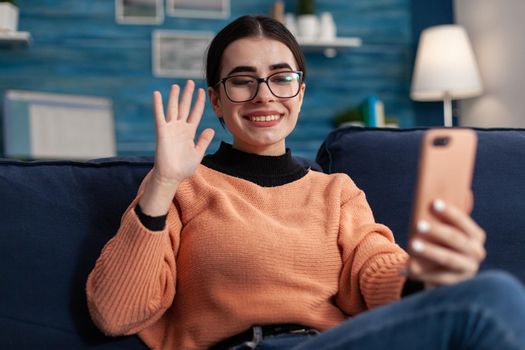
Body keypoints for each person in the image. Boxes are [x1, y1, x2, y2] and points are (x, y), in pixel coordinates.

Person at [86, 15, 525, 350]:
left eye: (281, 78)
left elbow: (374, 271)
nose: (264, 95)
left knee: (490, 299)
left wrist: (424, 275)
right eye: (243, 81)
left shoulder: (337, 192)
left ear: (300, 92)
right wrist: (162, 182)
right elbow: (115, 314)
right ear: (217, 102)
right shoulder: (183, 188)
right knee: (496, 295)